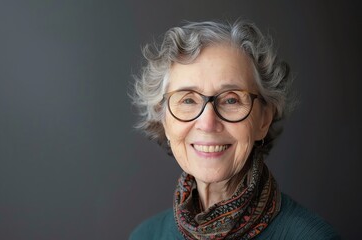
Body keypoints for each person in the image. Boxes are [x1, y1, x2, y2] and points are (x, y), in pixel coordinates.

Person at [129, 19, 340, 240]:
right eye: (188, 100)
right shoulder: (145, 235)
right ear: (164, 120)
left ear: (263, 120)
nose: (208, 123)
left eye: (230, 100)